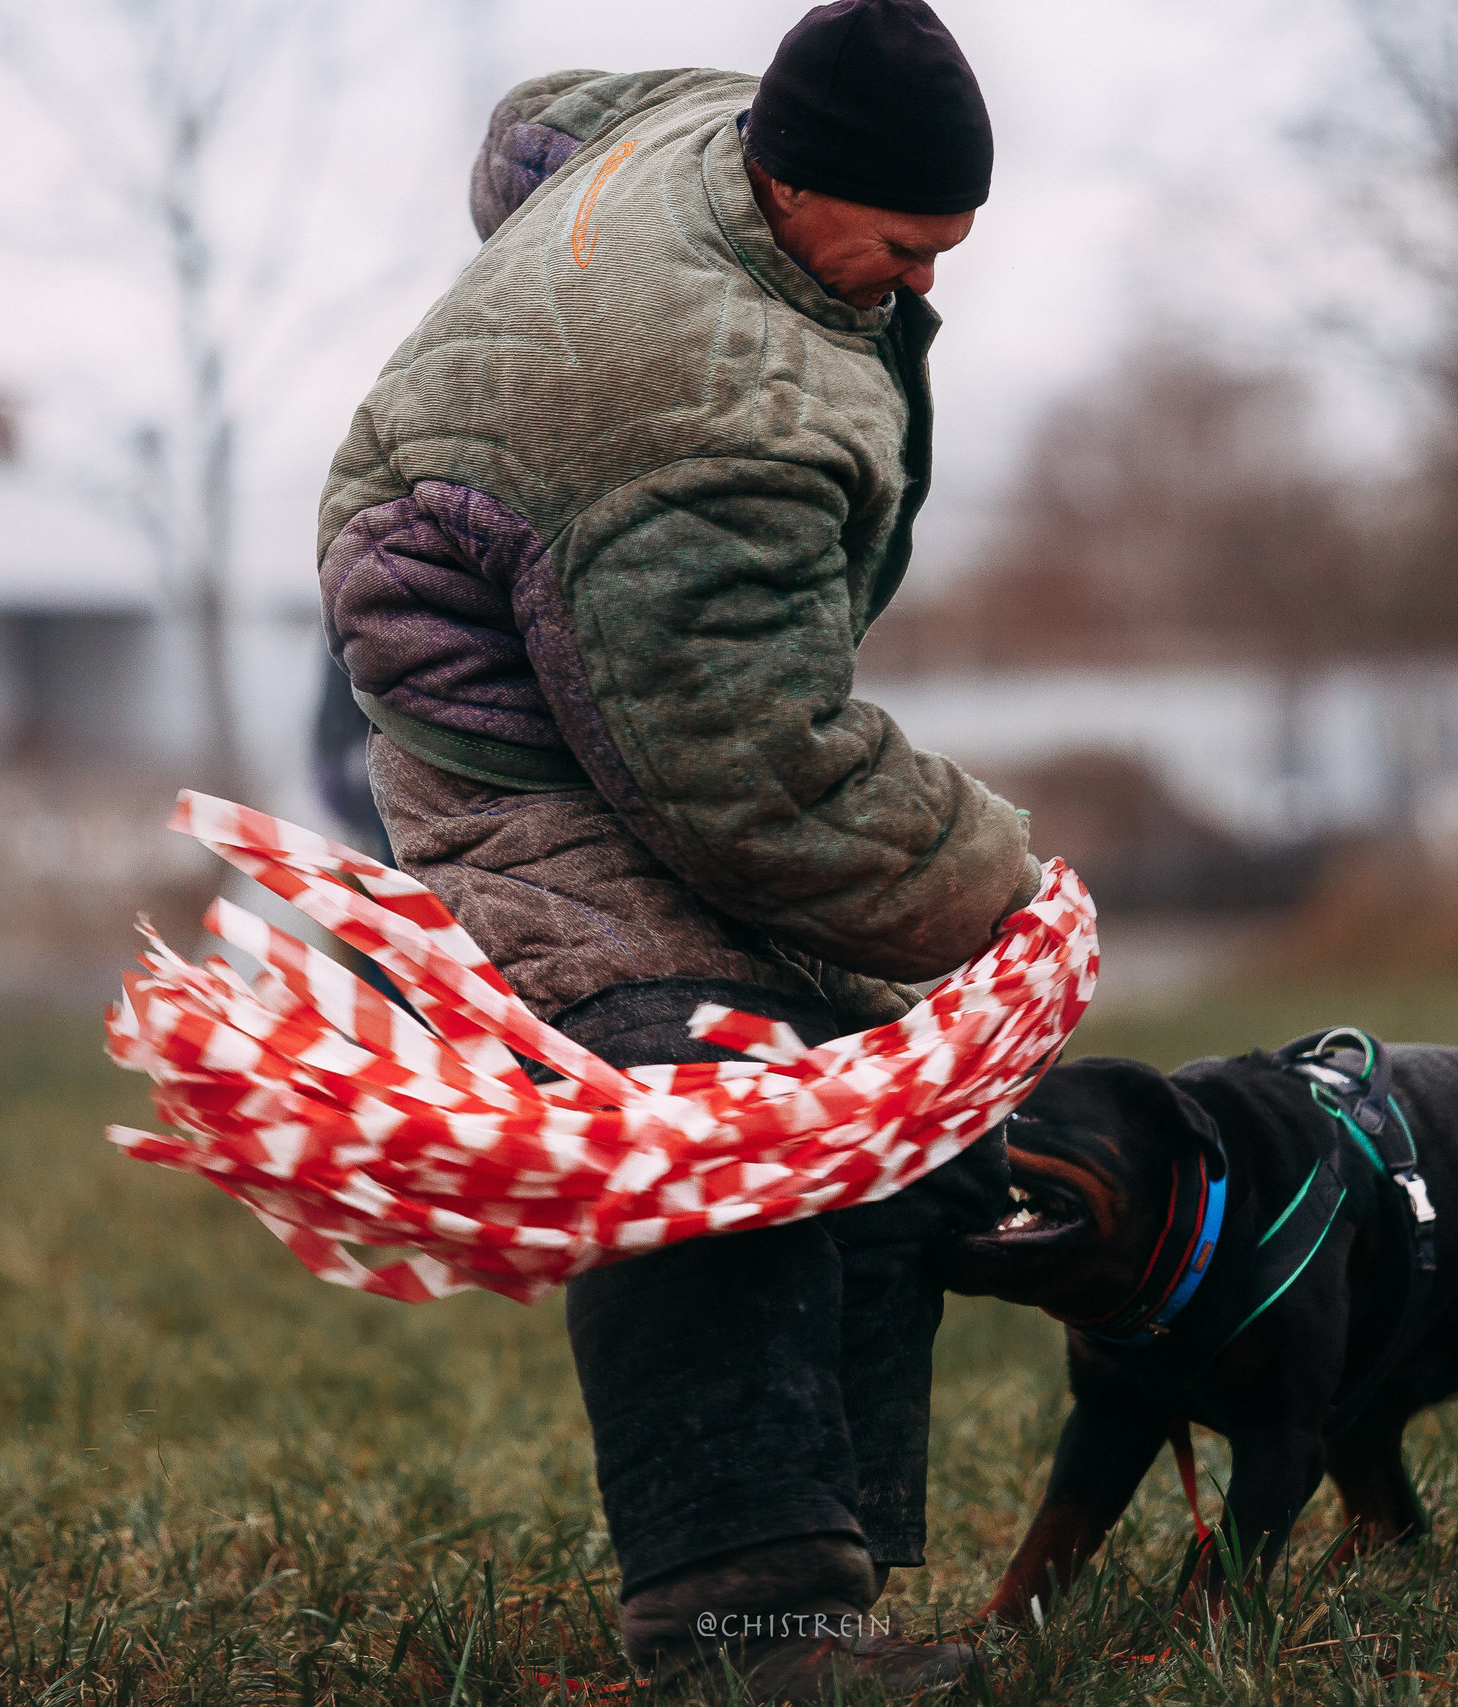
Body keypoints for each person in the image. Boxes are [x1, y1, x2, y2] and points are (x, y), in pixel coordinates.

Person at [315, 2, 1032, 1694]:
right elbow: (760, 780)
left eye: (951, 245)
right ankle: (740, 1631)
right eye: (904, 248)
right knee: (713, 1103)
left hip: (591, 606)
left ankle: (835, 1578)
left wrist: (527, 314)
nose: (928, 281)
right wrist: (998, 888)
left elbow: (533, 125)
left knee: (889, 1103)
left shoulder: (698, 121)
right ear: (785, 184)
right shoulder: (710, 413)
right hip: (504, 728)